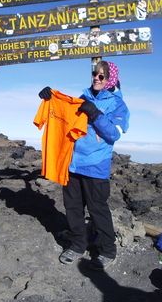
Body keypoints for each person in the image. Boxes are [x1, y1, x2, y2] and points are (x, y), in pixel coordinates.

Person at [38, 60, 129, 270]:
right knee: (73, 208)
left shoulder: (118, 105)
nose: (96, 78)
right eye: (94, 74)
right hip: (72, 164)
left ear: (110, 79)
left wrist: (95, 114)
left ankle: (108, 250)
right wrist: (50, 98)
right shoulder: (82, 98)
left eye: (102, 76)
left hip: (96, 165)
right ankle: (78, 244)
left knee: (98, 210)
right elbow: (65, 114)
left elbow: (114, 134)